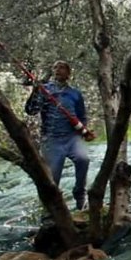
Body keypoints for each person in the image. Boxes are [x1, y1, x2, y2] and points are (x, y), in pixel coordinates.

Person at [25, 60, 91, 211]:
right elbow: (31, 110)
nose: (57, 70)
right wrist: (35, 91)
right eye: (55, 67)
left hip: (72, 138)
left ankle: (80, 195)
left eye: (62, 68)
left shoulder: (75, 94)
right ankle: (52, 209)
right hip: (52, 140)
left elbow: (82, 116)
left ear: (68, 73)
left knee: (83, 159)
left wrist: (84, 131)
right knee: (53, 177)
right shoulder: (44, 90)